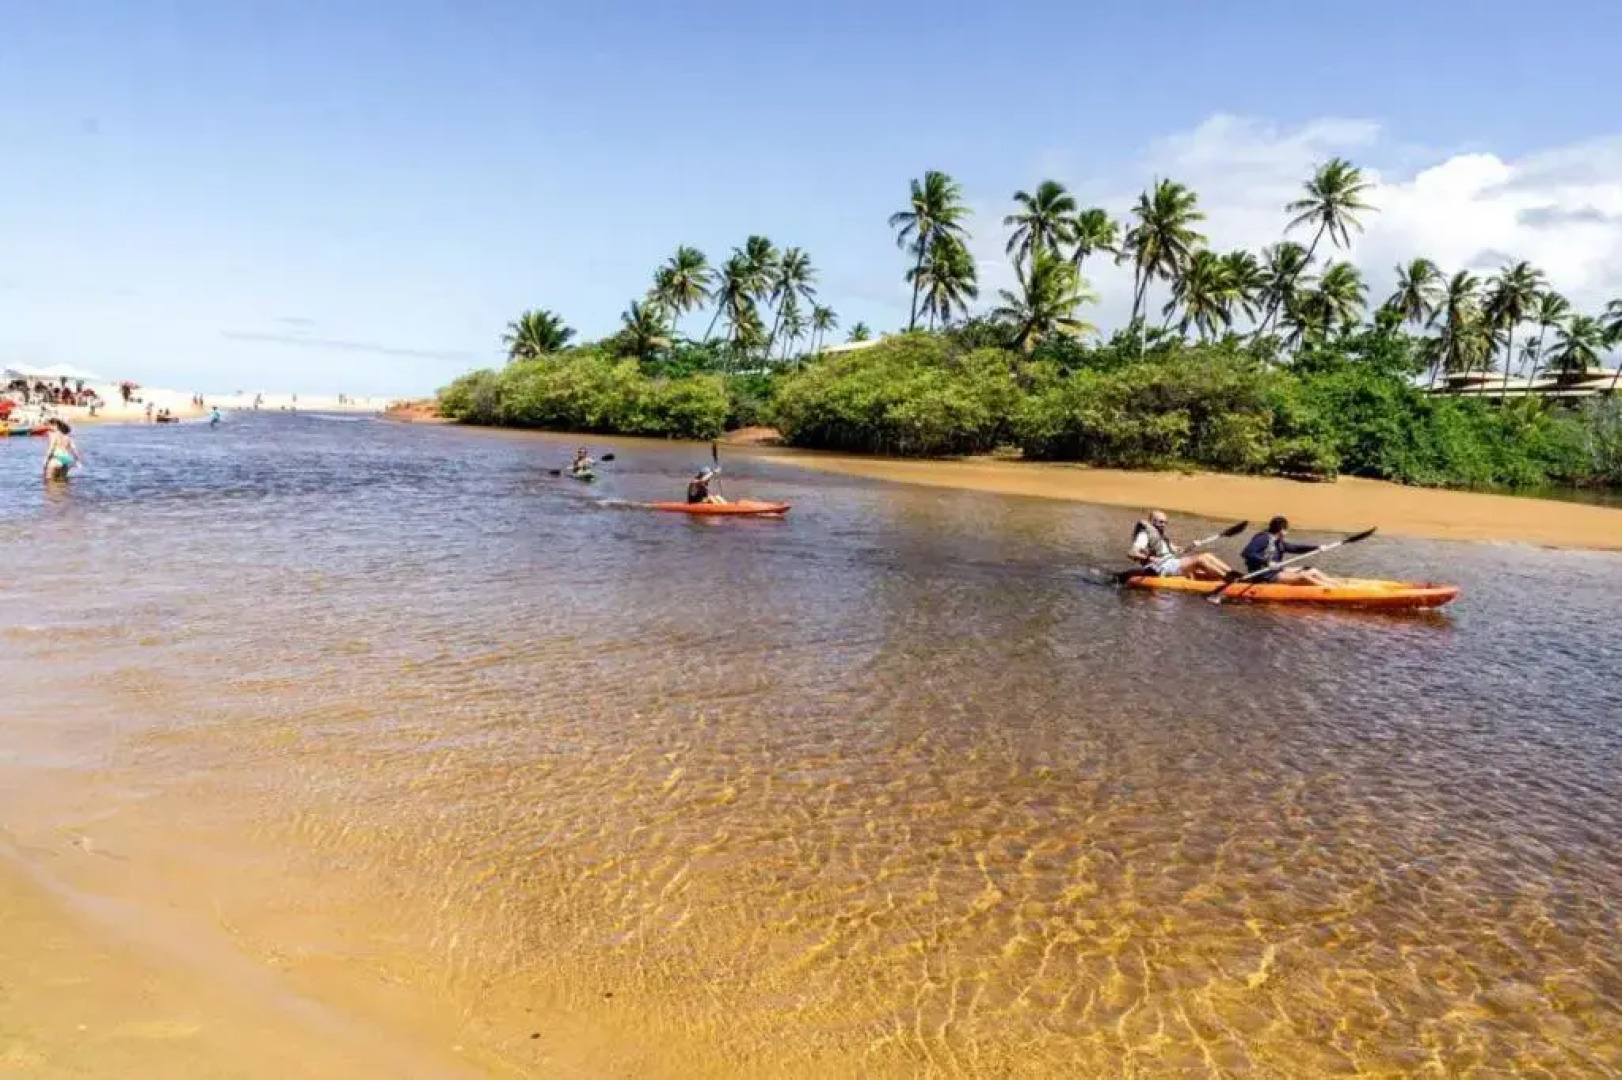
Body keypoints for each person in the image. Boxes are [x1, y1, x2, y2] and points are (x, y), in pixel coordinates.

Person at [1129, 511, 1235, 581]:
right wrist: (1151, 558)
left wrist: (1192, 546)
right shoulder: (1144, 535)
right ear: (1152, 521)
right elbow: (1132, 553)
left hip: (1170, 563)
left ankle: (1233, 574)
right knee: (1200, 559)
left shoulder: (1161, 535)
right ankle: (1229, 579)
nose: (1164, 525)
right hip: (1160, 567)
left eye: (1165, 522)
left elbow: (1178, 551)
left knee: (1207, 555)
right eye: (1161, 522)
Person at [1241, 516, 1337, 587]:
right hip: (1264, 575)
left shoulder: (1277, 541)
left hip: (1276, 571)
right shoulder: (1263, 538)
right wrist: (1267, 562)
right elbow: (1247, 553)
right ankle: (1329, 589)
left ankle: (1337, 585)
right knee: (1303, 576)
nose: (1287, 532)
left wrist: (1317, 547)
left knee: (1312, 570)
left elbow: (1295, 548)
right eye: (1286, 529)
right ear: (1282, 530)